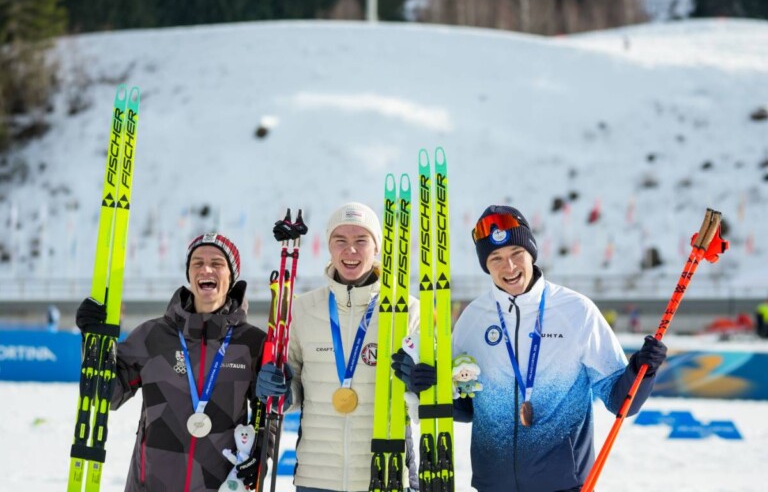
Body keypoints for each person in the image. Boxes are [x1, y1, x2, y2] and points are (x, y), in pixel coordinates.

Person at [393, 205, 667, 492]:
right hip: (492, 486)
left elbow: (621, 401)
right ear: (486, 265)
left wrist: (642, 370)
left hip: (564, 486)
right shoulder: (473, 319)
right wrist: (426, 386)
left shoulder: (576, 311)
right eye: (496, 258)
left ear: (531, 254)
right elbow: (466, 407)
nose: (509, 267)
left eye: (516, 254)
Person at [75, 233, 268, 491]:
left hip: (222, 485)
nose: (206, 269)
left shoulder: (253, 343)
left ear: (231, 276)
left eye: (217, 263)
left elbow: (269, 412)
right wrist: (94, 340)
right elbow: (106, 395)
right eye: (197, 263)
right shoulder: (153, 336)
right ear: (188, 274)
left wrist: (261, 458)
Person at [282, 202, 421, 492]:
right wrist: (280, 391)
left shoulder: (406, 310)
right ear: (329, 247)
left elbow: (428, 396)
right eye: (340, 241)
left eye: (361, 241)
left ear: (377, 248)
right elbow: (292, 385)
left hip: (385, 474)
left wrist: (418, 383)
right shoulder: (303, 309)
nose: (351, 251)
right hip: (315, 477)